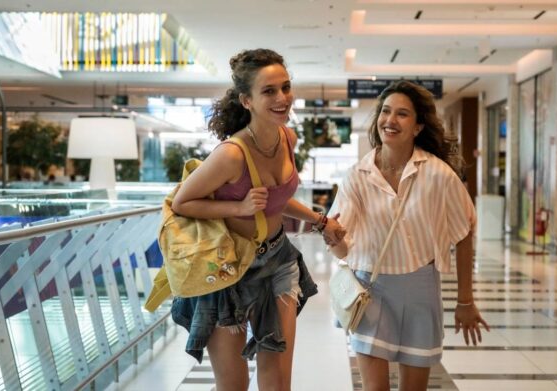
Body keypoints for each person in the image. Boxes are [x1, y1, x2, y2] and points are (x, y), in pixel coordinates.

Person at [170, 48, 344, 391]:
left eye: (286, 87)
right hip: (227, 272)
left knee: (278, 381)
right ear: (246, 100)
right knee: (233, 384)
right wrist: (239, 208)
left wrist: (321, 221)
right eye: (269, 91)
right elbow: (182, 203)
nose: (282, 98)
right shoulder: (231, 154)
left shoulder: (287, 138)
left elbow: (277, 200)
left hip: (277, 262)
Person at [327, 81, 489, 390]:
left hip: (419, 289)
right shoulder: (358, 175)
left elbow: (465, 231)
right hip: (368, 288)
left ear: (417, 127)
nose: (390, 120)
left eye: (402, 114)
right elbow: (343, 247)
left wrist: (465, 300)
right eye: (386, 112)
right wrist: (334, 239)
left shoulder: (439, 175)